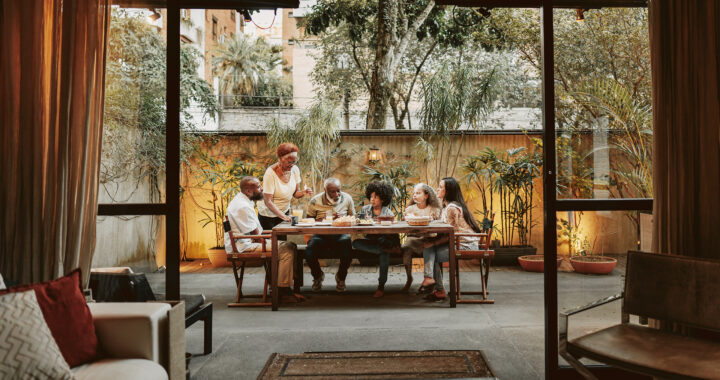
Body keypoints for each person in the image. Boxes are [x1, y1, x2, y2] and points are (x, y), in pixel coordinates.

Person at [225, 176, 304, 303]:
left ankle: (280, 287)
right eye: (258, 186)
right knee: (287, 248)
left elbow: (256, 233)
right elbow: (256, 237)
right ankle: (283, 291)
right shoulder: (242, 206)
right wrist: (272, 239)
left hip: (246, 241)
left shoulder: (244, 201)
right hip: (244, 246)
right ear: (248, 191)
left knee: (290, 245)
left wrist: (271, 238)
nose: (262, 189)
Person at [419, 177, 481, 301]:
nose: (437, 189)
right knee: (429, 247)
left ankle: (437, 286)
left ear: (448, 191)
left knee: (431, 252)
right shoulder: (448, 207)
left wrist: (434, 241)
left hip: (464, 245)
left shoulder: (452, 208)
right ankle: (432, 282)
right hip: (459, 242)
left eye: (441, 187)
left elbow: (450, 234)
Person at [305, 178, 355, 292]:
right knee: (308, 252)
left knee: (347, 249)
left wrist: (343, 219)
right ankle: (317, 276)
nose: (336, 194)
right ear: (325, 190)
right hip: (321, 235)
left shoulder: (347, 198)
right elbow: (308, 221)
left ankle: (341, 277)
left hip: (341, 234)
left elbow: (354, 218)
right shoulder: (315, 200)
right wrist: (321, 220)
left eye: (338, 190)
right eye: (332, 191)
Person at [352, 181, 401, 298]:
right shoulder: (365, 209)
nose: (372, 199)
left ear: (383, 199)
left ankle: (381, 286)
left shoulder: (387, 212)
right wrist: (362, 222)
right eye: (371, 196)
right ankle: (382, 250)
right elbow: (359, 228)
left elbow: (392, 232)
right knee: (355, 243)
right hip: (371, 242)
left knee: (384, 252)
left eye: (376, 197)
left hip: (384, 240)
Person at [258, 142, 312, 230]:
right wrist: (284, 217)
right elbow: (268, 202)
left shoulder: (295, 170)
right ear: (280, 159)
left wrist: (304, 192)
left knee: (282, 242)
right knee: (271, 242)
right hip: (268, 215)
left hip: (284, 211)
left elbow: (296, 193)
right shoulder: (270, 173)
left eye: (294, 162)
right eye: (289, 162)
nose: (292, 165)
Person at [400, 183, 442, 292]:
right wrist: (405, 220)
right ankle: (409, 278)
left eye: (418, 193)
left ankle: (433, 283)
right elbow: (405, 226)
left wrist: (434, 220)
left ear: (426, 196)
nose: (414, 195)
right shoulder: (410, 209)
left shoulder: (434, 209)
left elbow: (437, 227)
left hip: (429, 238)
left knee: (431, 249)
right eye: (414, 193)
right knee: (406, 247)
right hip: (413, 238)